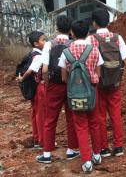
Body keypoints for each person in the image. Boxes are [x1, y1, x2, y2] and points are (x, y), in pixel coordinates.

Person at [59, 20, 103, 174]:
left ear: (72, 33)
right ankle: (97, 155)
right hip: (91, 91)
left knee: (81, 126)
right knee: (94, 122)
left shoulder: (66, 51)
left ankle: (86, 161)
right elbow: (98, 73)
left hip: (75, 94)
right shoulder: (94, 49)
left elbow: (63, 77)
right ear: (88, 33)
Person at [36, 15, 80, 163]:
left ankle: (47, 154)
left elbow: (44, 69)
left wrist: (47, 83)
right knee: (71, 117)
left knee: (50, 119)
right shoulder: (73, 44)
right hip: (70, 84)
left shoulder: (49, 44)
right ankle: (71, 150)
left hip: (54, 85)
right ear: (70, 29)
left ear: (56, 28)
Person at [89, 8, 126, 158]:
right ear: (108, 21)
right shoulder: (117, 38)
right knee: (115, 114)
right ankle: (118, 147)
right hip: (115, 82)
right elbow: (125, 57)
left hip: (98, 83)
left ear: (94, 22)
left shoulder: (91, 39)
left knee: (99, 116)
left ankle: (104, 148)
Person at [16, 31, 47, 149]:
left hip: (33, 87)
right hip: (38, 87)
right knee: (41, 114)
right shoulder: (38, 56)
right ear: (36, 43)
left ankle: (36, 138)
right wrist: (22, 79)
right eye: (43, 40)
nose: (46, 42)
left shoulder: (32, 53)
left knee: (35, 112)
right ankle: (42, 141)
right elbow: (30, 70)